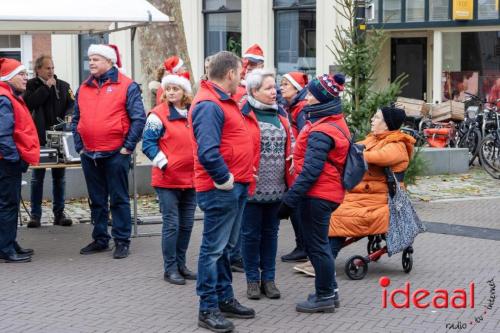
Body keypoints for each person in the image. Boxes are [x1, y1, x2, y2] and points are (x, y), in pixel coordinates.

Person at [190, 51, 256, 333]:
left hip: (234, 185)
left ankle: (224, 298)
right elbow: (207, 151)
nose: (241, 77)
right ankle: (207, 308)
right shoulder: (209, 104)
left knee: (225, 248)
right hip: (221, 188)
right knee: (214, 250)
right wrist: (224, 179)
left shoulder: (222, 101)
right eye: (240, 73)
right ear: (230, 73)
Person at [277, 73, 350, 313]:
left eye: (310, 93)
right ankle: (330, 290)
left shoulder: (322, 130)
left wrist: (289, 200)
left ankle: (324, 296)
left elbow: (311, 172)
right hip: (327, 192)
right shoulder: (332, 121)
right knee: (320, 245)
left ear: (320, 98)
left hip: (318, 194)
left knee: (317, 247)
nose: (306, 96)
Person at [71, 44, 146, 259]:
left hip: (116, 153)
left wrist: (127, 147)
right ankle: (100, 238)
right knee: (96, 199)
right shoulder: (84, 87)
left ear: (109, 61)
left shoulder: (127, 86)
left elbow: (139, 118)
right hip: (90, 153)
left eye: (96, 59)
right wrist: (80, 146)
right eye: (90, 59)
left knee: (119, 198)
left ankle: (122, 240)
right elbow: (75, 119)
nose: (91, 63)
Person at [329, 106, 414, 291]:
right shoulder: (373, 139)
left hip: (384, 200)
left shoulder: (396, 145)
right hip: (365, 196)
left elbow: (378, 156)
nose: (372, 120)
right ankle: (321, 257)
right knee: (329, 208)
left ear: (387, 125)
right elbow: (358, 148)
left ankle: (326, 260)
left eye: (376, 118)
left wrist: (352, 152)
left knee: (340, 215)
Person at [240, 69, 294, 300]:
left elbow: (289, 149)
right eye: (269, 88)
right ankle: (252, 280)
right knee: (250, 235)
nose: (275, 92)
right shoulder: (243, 114)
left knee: (271, 235)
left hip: (277, 189)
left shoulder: (281, 115)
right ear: (254, 91)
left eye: (275, 87)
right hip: (252, 189)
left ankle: (269, 279)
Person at [142, 72, 197, 285]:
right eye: (169, 89)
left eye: (176, 88)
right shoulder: (158, 114)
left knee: (187, 224)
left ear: (185, 91)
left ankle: (182, 264)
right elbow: (148, 143)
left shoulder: (193, 112)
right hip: (167, 179)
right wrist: (164, 162)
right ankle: (170, 268)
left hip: (191, 178)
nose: (172, 92)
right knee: (172, 224)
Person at [23, 55, 74, 228]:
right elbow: (29, 103)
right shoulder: (30, 85)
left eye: (52, 67)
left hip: (59, 138)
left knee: (59, 177)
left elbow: (72, 104)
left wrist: (69, 114)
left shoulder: (63, 86)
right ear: (38, 70)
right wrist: (45, 88)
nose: (51, 71)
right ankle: (35, 215)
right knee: (38, 177)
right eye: (47, 68)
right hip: (39, 138)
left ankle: (59, 213)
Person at [0, 58, 40, 263]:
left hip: (9, 160)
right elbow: (3, 135)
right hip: (6, 162)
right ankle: (6, 249)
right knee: (8, 205)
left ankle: (8, 242)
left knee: (10, 205)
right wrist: (15, 159)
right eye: (21, 74)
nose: (26, 77)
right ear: (8, 77)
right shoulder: (4, 98)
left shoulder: (9, 96)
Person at [279, 71, 309, 262]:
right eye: (281, 84)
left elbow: (304, 137)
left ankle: (303, 247)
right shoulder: (292, 107)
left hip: (297, 165)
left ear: (296, 89)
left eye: (285, 85)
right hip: (293, 163)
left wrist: (295, 155)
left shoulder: (301, 109)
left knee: (296, 205)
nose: (281, 88)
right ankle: (302, 245)